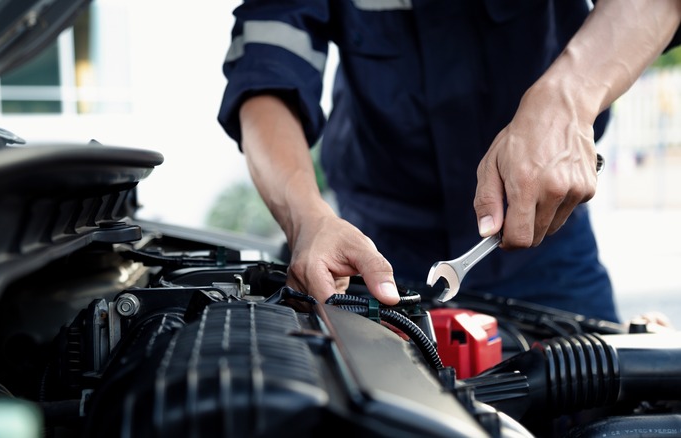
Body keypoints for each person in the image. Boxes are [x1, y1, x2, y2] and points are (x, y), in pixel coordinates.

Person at [217, 0, 681, 322]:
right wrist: (305, 220)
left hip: (547, 245)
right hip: (368, 257)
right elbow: (266, 66)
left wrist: (568, 98)